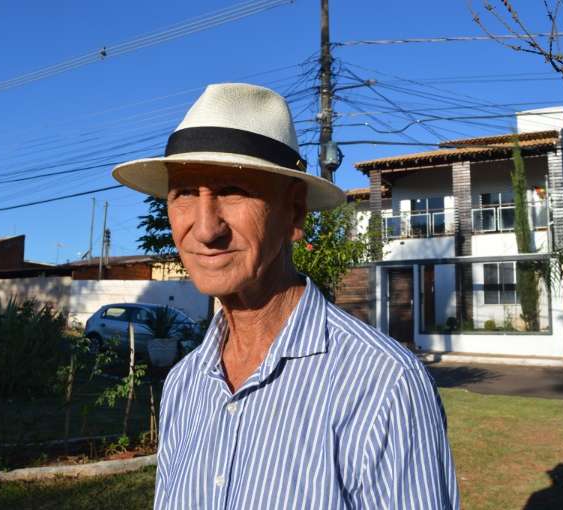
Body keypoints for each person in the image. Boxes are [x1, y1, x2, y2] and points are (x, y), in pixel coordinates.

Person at [112, 83, 460, 509]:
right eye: (184, 192)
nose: (205, 229)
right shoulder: (185, 384)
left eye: (232, 190)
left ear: (294, 214)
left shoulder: (384, 384)